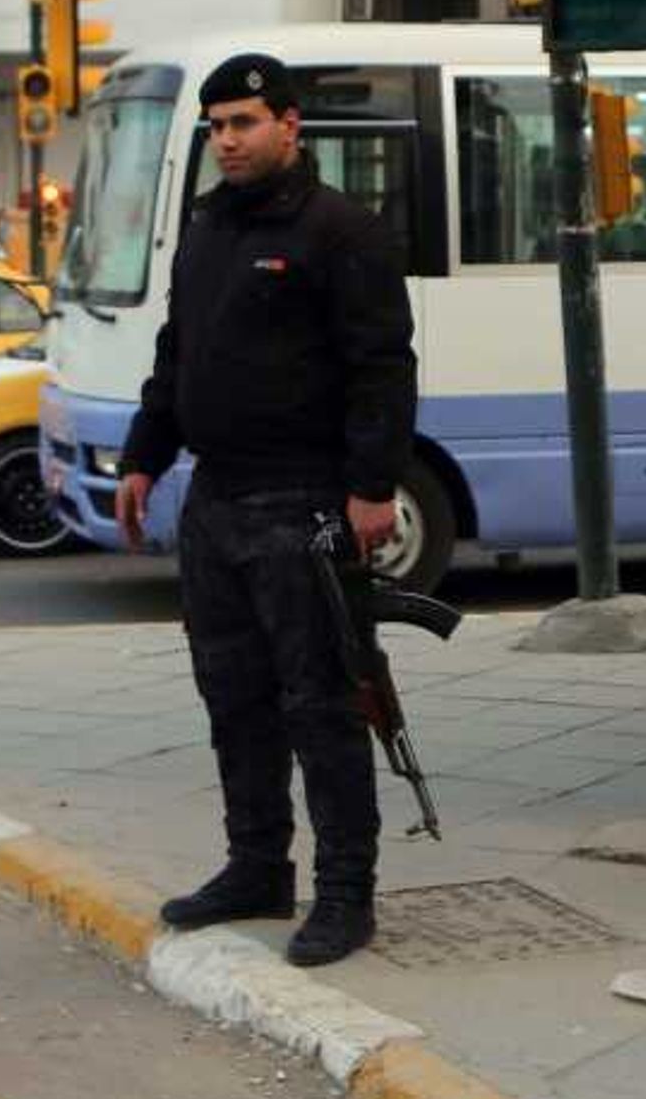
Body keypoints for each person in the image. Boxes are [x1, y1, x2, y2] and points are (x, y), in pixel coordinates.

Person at [115, 56, 421, 970]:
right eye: (216, 126)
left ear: (292, 126)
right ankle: (257, 864)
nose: (227, 140)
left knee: (320, 704)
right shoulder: (208, 227)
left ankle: (345, 893)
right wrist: (143, 454)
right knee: (234, 699)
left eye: (243, 122)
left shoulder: (341, 232)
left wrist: (372, 486)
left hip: (304, 501)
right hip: (215, 499)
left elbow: (383, 365)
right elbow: (178, 354)